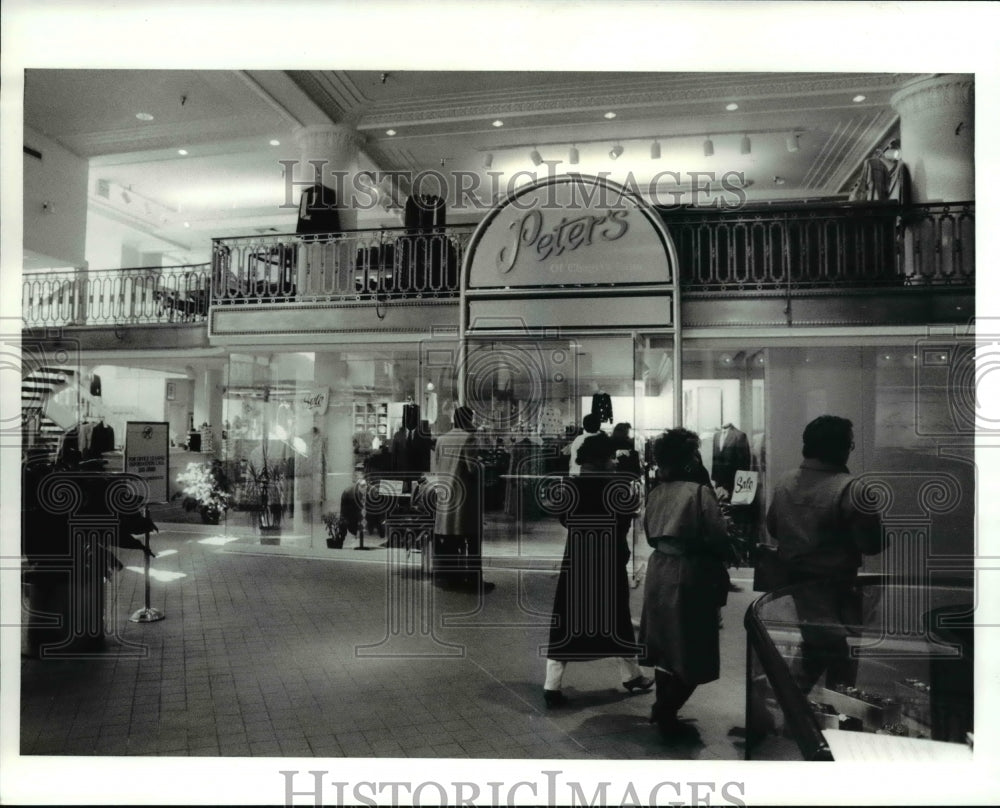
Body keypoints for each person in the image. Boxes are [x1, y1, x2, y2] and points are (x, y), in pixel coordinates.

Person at [765, 415, 884, 694]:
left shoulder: (784, 483)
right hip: (837, 588)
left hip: (793, 585)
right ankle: (833, 717)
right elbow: (871, 544)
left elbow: (773, 528)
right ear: (843, 448)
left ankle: (791, 707)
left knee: (817, 650)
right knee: (839, 659)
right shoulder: (853, 489)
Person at [543, 432, 653, 707]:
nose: (615, 462)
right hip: (608, 559)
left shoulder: (572, 486)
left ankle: (551, 685)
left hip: (578, 558)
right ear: (603, 459)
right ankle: (632, 676)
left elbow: (564, 518)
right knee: (615, 618)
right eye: (612, 457)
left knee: (567, 621)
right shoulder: (615, 487)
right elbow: (624, 520)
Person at [638, 428, 732, 739]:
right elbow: (717, 537)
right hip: (691, 573)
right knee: (693, 645)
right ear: (690, 458)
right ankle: (666, 710)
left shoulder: (655, 494)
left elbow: (650, 533)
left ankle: (664, 707)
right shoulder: (699, 493)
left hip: (659, 570)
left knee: (664, 646)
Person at [431, 405, 495, 593]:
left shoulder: (441, 439)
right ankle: (474, 581)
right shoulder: (469, 438)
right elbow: (472, 468)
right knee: (472, 540)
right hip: (465, 498)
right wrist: (482, 464)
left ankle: (452, 579)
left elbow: (439, 466)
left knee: (451, 540)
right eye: (472, 417)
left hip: (446, 495)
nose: (473, 421)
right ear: (467, 419)